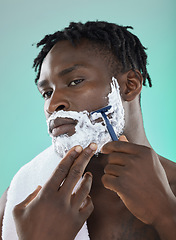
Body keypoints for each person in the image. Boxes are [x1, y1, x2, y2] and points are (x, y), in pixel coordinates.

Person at [0, 21, 176, 240]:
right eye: (46, 93)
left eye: (75, 81)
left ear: (129, 85)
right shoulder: (22, 198)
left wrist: (167, 216)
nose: (52, 104)